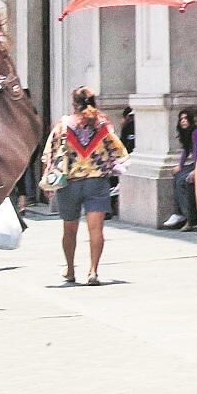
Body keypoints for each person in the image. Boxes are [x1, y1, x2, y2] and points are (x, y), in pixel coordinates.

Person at [41, 86, 129, 285]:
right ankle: (93, 271)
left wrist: (48, 181)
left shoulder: (63, 125)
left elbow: (50, 154)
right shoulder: (102, 124)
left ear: (74, 103)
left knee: (69, 229)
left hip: (69, 183)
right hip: (97, 183)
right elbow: (119, 151)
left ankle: (71, 270)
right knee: (96, 230)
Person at [162, 110, 196, 229]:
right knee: (177, 176)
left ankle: (188, 216)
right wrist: (180, 166)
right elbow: (186, 151)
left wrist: (195, 169)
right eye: (181, 119)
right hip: (195, 163)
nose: (183, 121)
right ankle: (179, 213)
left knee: (182, 180)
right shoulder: (186, 134)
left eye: (186, 119)